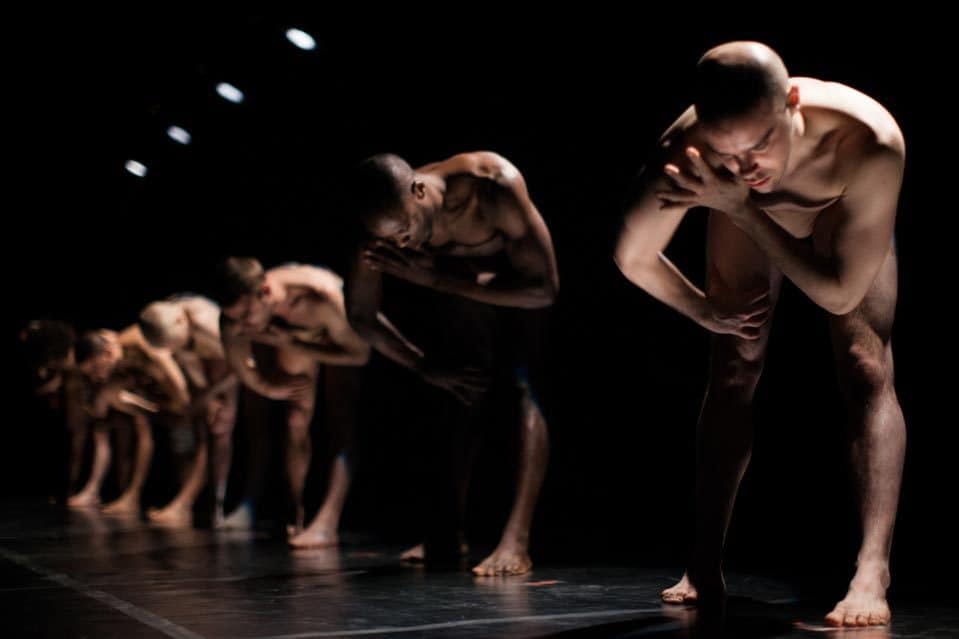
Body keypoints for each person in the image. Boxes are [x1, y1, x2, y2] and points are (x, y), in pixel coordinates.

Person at [614, 41, 905, 627]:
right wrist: (702, 311)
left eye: (760, 145)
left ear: (791, 102)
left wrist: (744, 207)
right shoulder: (690, 148)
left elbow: (839, 293)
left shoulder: (868, 140)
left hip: (835, 208)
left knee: (866, 364)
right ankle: (703, 560)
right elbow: (632, 255)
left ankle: (872, 568)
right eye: (728, 152)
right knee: (733, 363)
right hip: (739, 210)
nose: (747, 166)